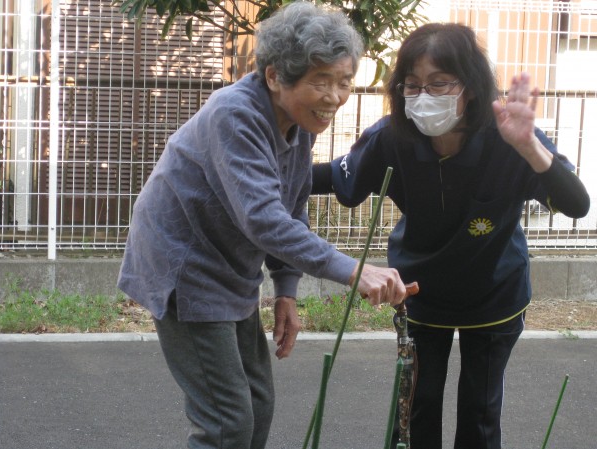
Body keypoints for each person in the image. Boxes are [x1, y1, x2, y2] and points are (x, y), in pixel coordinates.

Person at [117, 2, 409, 449]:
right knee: (226, 422)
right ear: (274, 76)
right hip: (185, 266)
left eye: (344, 81)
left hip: (230, 265)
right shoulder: (235, 114)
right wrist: (354, 270)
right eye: (321, 81)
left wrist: (286, 289)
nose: (334, 97)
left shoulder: (299, 120)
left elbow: (291, 202)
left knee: (258, 402)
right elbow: (264, 219)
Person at [312, 23, 590, 449]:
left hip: (494, 292)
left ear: (471, 87)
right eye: (412, 85)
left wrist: (530, 148)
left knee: (480, 413)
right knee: (415, 407)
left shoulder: (509, 136)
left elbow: (576, 204)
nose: (423, 96)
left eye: (439, 83)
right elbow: (333, 178)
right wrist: (266, 169)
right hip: (420, 290)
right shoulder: (392, 136)